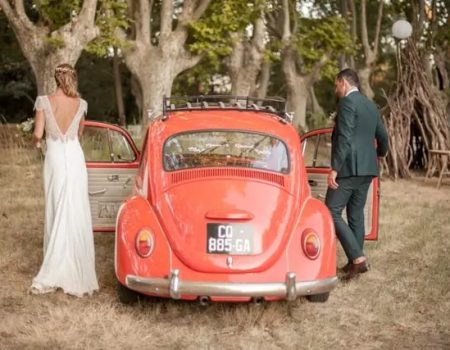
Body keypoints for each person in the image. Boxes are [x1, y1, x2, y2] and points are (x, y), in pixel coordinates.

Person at [29, 63, 99, 297]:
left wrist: (36, 141)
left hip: (56, 157)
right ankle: (75, 263)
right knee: (75, 206)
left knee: (57, 204)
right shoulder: (81, 104)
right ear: (72, 79)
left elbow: (38, 134)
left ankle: (55, 266)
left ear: (56, 79)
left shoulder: (43, 102)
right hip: (74, 155)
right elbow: (79, 133)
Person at [325, 68, 389, 281]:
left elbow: (343, 138)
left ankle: (358, 259)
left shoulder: (347, 103)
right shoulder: (370, 105)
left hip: (348, 168)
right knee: (355, 214)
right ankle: (353, 264)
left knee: (331, 211)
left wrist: (334, 168)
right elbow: (383, 136)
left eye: (336, 85)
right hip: (368, 168)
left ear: (343, 82)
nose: (336, 90)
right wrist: (379, 155)